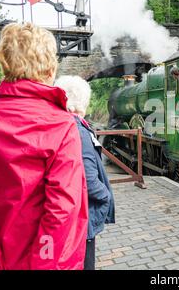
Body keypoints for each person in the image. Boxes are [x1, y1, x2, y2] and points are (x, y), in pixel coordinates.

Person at [0, 23, 88, 270]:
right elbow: (61, 211)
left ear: (4, 63)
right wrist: (43, 262)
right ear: (50, 67)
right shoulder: (61, 127)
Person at [54, 75, 116, 271]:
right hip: (83, 214)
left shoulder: (62, 124)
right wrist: (105, 195)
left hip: (68, 213)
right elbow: (88, 178)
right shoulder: (79, 130)